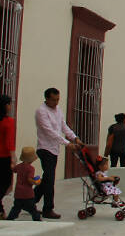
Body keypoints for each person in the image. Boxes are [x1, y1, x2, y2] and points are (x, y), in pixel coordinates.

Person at [35, 87, 83, 219]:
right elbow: (49, 132)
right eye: (53, 100)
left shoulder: (58, 110)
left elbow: (63, 126)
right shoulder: (41, 112)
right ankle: (48, 209)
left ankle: (30, 201)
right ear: (47, 99)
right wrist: (67, 144)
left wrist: (74, 137)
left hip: (54, 149)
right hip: (45, 148)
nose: (56, 103)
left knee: (47, 179)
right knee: (49, 180)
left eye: (58, 100)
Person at [6, 147, 42, 221]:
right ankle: (37, 219)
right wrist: (36, 182)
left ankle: (10, 219)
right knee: (32, 208)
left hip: (18, 192)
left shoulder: (19, 166)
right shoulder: (31, 168)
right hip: (27, 193)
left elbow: (13, 169)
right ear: (32, 159)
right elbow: (29, 179)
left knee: (16, 207)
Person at [0, 94, 16, 220]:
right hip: (4, 156)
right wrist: (13, 158)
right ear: (6, 106)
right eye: (9, 104)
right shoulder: (8, 122)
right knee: (5, 184)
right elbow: (9, 141)